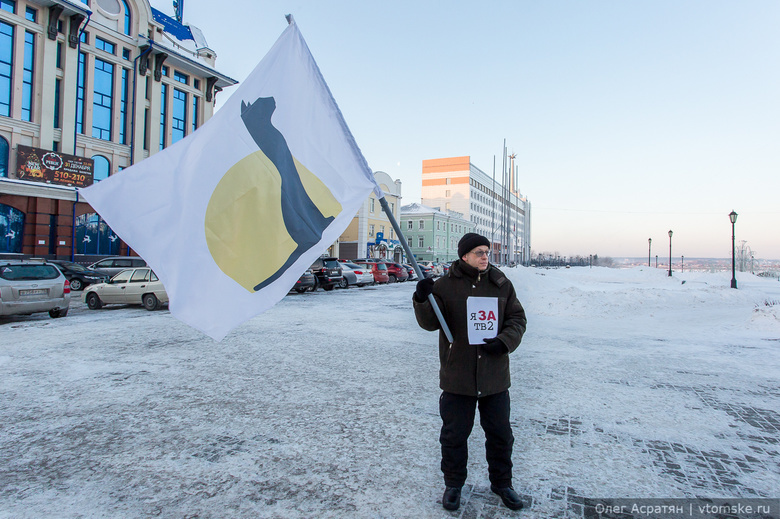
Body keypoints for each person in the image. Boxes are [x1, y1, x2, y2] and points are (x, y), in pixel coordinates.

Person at [413, 233, 527, 512]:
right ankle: (453, 485)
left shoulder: (500, 283)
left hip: (494, 377)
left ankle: (502, 484)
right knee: (454, 436)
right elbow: (430, 323)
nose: (485, 256)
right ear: (464, 255)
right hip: (458, 376)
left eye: (486, 251)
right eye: (479, 252)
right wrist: (421, 298)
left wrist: (504, 342)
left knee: (500, 434)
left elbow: (517, 318)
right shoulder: (445, 285)